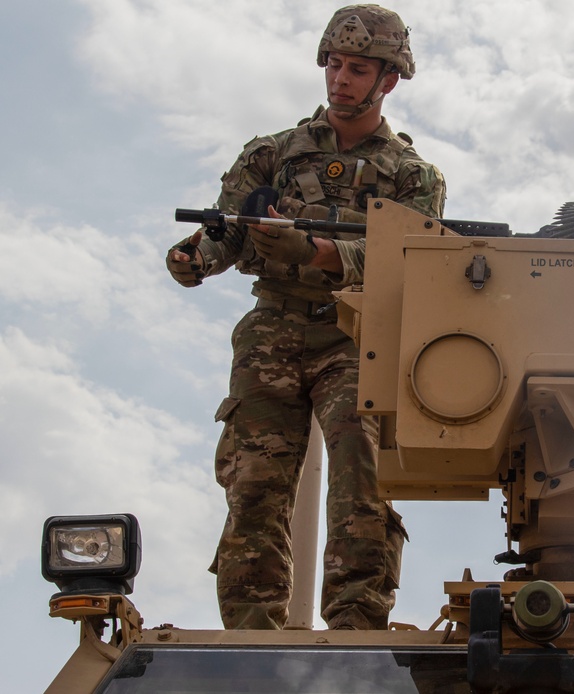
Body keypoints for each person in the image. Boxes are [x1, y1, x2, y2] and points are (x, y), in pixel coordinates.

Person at [165, 4, 446, 630]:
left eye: (358, 69)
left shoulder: (412, 175)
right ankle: (250, 631)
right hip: (273, 330)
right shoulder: (272, 154)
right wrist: (196, 257)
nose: (341, 79)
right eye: (336, 65)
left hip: (358, 333)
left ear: (388, 79)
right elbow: (227, 229)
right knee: (254, 482)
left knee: (360, 475)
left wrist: (319, 252)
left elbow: (410, 261)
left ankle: (356, 627)